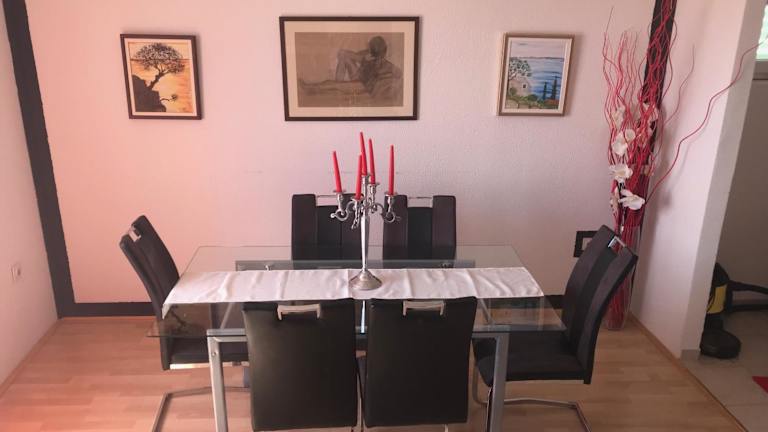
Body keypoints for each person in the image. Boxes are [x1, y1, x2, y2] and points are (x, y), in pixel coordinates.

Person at [299, 36, 403, 104]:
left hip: (362, 85)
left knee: (333, 84)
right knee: (342, 60)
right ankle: (313, 88)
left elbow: (398, 74)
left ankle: (310, 88)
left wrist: (382, 77)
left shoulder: (385, 65)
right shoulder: (369, 56)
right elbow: (353, 56)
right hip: (360, 79)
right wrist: (364, 60)